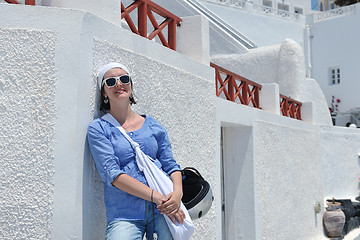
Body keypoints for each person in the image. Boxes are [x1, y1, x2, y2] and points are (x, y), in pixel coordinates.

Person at [87, 62, 185, 240]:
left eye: (124, 79)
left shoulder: (153, 124)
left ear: (130, 84)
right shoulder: (98, 128)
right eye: (110, 82)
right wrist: (156, 197)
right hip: (125, 213)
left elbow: (171, 165)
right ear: (104, 92)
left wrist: (177, 194)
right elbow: (113, 176)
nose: (118, 84)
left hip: (164, 208)